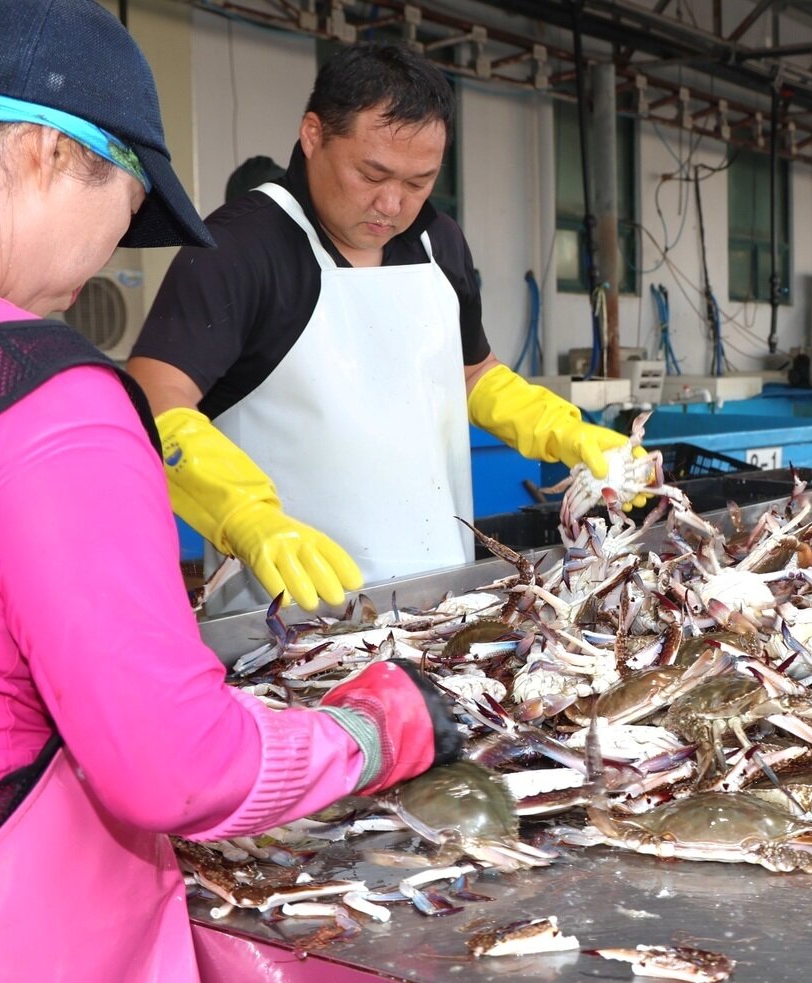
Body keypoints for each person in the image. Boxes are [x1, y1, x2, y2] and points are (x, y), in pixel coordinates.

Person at [0, 3, 465, 983]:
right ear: (37, 152)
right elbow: (170, 766)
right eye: (127, 200)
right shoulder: (42, 396)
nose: (121, 239)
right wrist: (378, 730)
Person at [128, 42, 642, 614]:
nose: (392, 204)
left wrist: (565, 431)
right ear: (313, 134)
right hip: (288, 616)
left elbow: (474, 374)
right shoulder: (238, 247)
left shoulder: (437, 242)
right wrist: (244, 515)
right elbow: (151, 399)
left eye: (419, 182)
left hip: (442, 595)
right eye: (372, 174)